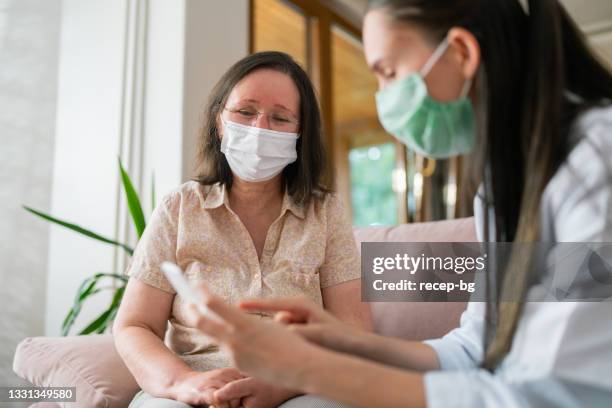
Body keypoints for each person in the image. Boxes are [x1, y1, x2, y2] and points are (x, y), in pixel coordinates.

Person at [183, 0, 612, 407]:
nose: (383, 97)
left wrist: (309, 370)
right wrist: (341, 339)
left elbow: (559, 396)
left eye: (388, 73)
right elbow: (474, 347)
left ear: (460, 52)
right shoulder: (505, 187)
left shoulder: (597, 164)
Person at [113, 51, 372, 408]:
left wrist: (283, 385)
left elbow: (353, 333)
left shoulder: (325, 212)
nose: (259, 129)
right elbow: (134, 326)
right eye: (245, 112)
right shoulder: (179, 208)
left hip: (298, 387)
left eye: (280, 118)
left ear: (300, 134)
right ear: (219, 121)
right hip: (193, 389)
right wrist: (185, 383)